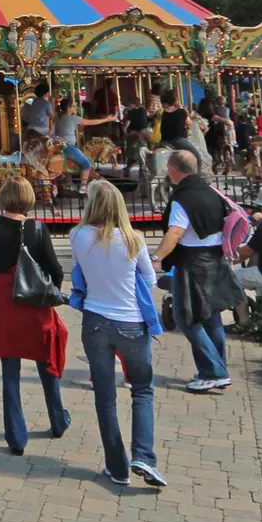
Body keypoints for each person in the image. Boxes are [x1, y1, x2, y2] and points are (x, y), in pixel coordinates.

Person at [69, 180, 166, 487]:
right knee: (142, 388)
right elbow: (149, 280)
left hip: (96, 319)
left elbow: (79, 271)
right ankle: (143, 455)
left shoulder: (78, 236)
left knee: (105, 395)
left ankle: (117, 465)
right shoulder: (134, 239)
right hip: (131, 322)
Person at [0, 177, 70, 455]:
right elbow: (56, 270)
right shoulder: (37, 228)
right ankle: (57, 421)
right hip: (36, 304)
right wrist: (50, 293)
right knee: (47, 361)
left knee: (10, 374)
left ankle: (17, 437)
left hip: (6, 301)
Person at [152, 150, 244, 393]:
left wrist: (155, 258)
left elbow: (175, 233)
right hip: (216, 258)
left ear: (172, 169)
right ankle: (217, 369)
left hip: (193, 262)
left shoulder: (182, 198)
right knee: (211, 314)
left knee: (186, 316)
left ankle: (213, 372)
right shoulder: (211, 191)